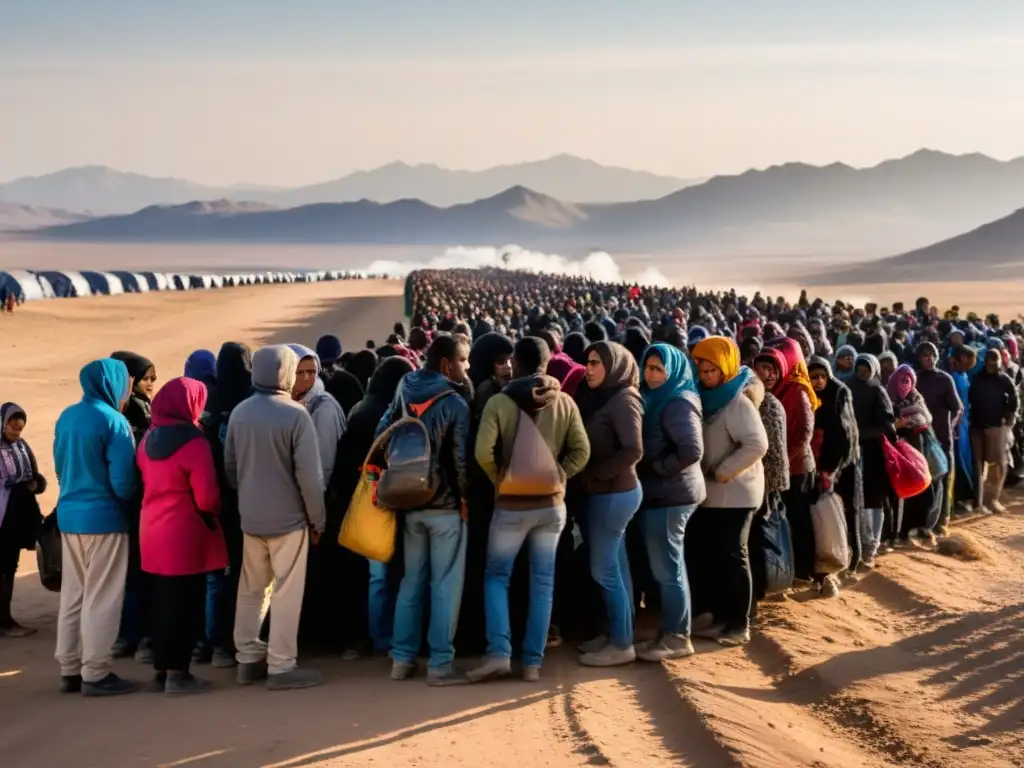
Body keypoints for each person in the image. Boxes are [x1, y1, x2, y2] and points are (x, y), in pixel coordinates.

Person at [469, 337, 590, 682]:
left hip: (510, 506)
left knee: (496, 577)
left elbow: (481, 453)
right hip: (551, 507)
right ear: (547, 363)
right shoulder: (565, 402)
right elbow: (581, 451)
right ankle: (533, 663)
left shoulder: (498, 402)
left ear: (517, 363)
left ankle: (499, 653)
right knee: (543, 582)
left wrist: (502, 480)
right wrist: (557, 476)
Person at [225, 345, 326, 690]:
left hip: (251, 519)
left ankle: (247, 658)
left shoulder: (240, 412)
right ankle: (281, 666)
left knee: (251, 590)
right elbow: (310, 479)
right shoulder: (296, 415)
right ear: (286, 372)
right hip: (289, 521)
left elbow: (231, 468)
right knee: (285, 592)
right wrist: (318, 520)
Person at [377, 334, 472, 686]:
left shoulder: (404, 386)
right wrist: (465, 500)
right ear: (447, 363)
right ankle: (440, 665)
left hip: (408, 502)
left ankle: (401, 660)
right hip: (445, 508)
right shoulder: (455, 402)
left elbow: (382, 431)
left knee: (410, 582)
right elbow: (461, 462)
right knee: (445, 584)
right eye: (463, 360)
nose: (467, 367)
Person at [53, 358, 139, 696]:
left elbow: (60, 467)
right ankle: (96, 672)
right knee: (102, 596)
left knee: (73, 595)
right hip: (104, 519)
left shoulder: (67, 416)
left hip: (69, 515)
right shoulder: (114, 421)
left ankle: (69, 668)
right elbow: (123, 482)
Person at [137, 377, 226, 695]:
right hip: (185, 534)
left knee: (161, 602)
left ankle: (162, 671)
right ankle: (179, 673)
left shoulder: (148, 439)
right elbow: (206, 499)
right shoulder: (195, 442)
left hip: (152, 531)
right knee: (186, 604)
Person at [329, 356, 415, 656]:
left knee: (376, 576)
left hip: (369, 503)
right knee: (401, 574)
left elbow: (346, 462)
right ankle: (400, 639)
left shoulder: (361, 411)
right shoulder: (402, 412)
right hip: (400, 501)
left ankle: (381, 638)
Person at [689, 337, 768, 646]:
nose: (707, 376)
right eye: (703, 370)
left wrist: (722, 471)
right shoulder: (708, 398)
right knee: (717, 557)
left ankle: (739, 623)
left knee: (735, 556)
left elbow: (757, 444)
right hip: (714, 494)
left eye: (712, 370)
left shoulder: (737, 402)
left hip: (738, 493)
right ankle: (722, 618)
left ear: (726, 368)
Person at [574, 340, 644, 667]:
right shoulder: (597, 397)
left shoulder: (623, 399)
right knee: (615, 566)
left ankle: (621, 644)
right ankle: (620, 633)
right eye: (587, 362)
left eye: (595, 363)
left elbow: (633, 450)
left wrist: (596, 475)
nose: (588, 368)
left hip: (615, 493)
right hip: (603, 494)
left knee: (603, 570)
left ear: (613, 366)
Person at [635, 343, 705, 661]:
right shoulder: (657, 397)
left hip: (671, 494)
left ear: (673, 371)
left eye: (658, 369)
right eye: (648, 367)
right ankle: (671, 632)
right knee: (667, 565)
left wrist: (658, 469)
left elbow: (691, 450)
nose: (650, 375)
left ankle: (677, 636)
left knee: (669, 567)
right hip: (664, 493)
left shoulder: (677, 402)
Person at [199, 342, 252, 669]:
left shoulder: (210, 404)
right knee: (245, 575)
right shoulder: (250, 402)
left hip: (212, 502)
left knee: (214, 577)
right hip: (244, 503)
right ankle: (239, 642)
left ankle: (212, 643)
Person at [109, 349, 157, 662]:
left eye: (154, 378)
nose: (151, 384)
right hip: (133, 505)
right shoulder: (132, 414)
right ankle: (134, 637)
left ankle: (125, 636)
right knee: (137, 575)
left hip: (122, 506)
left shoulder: (123, 409)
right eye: (145, 378)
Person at [807, 357, 861, 576]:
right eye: (814, 377)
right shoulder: (810, 397)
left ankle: (853, 559)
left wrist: (833, 469)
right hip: (821, 463)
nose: (819, 381)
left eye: (822, 376)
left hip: (844, 462)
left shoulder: (839, 393)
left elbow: (845, 434)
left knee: (848, 510)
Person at [0, 403, 47, 636]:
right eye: (12, 427)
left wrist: (36, 484)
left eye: (20, 428)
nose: (16, 432)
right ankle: (4, 623)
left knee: (8, 568)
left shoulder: (21, 445)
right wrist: (21, 488)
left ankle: (5, 620)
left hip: (17, 517)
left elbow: (34, 475)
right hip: (3, 517)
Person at [848, 354, 897, 568]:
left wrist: (862, 433)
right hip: (850, 453)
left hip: (874, 455)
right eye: (859, 368)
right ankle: (855, 547)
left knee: (873, 501)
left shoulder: (878, 392)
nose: (862, 372)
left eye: (866, 369)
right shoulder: (847, 388)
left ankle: (871, 548)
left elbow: (888, 426)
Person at [914, 342, 962, 535]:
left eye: (932, 354)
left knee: (943, 479)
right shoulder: (914, 379)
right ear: (918, 357)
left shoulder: (945, 379)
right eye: (925, 355)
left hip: (942, 439)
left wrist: (948, 428)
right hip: (920, 439)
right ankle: (923, 523)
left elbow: (957, 408)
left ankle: (942, 520)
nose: (929, 358)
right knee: (923, 480)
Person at [887, 365, 936, 543]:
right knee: (901, 491)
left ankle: (921, 527)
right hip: (896, 450)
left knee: (924, 488)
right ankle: (899, 533)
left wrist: (904, 420)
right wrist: (898, 424)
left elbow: (925, 418)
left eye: (908, 380)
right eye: (902, 380)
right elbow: (888, 422)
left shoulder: (916, 397)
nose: (905, 384)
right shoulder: (887, 397)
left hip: (917, 449)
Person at [288, 344, 346, 489]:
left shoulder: (323, 408)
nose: (306, 378)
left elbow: (322, 466)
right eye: (299, 372)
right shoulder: (289, 402)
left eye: (311, 372)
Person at [968, 349, 1018, 514]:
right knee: (977, 465)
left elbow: (1014, 400)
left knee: (997, 465)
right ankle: (978, 502)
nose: (994, 362)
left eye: (996, 359)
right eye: (991, 359)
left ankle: (993, 500)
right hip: (976, 426)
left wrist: (1009, 416)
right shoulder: (977, 379)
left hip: (996, 427)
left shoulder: (1005, 380)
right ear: (986, 360)